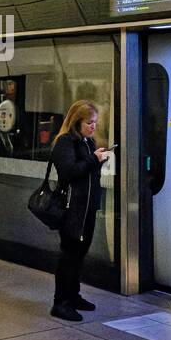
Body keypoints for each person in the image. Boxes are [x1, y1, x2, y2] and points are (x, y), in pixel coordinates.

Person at [48, 99, 111, 322]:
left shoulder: (87, 142)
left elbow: (87, 172)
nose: (93, 127)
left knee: (79, 254)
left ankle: (73, 296)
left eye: (95, 122)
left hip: (86, 208)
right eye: (89, 122)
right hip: (72, 209)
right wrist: (94, 160)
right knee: (69, 255)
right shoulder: (65, 143)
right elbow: (69, 172)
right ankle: (61, 302)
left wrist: (98, 159)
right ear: (77, 122)